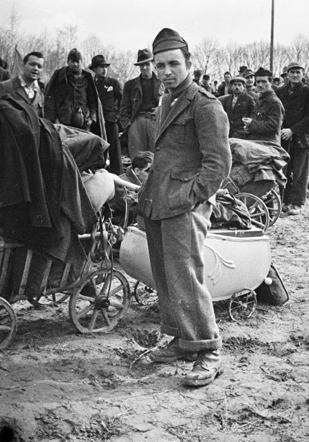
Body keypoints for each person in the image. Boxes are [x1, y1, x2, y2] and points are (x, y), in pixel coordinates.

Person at [139, 28, 231, 387]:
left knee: (187, 277)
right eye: (160, 65)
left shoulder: (205, 105)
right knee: (166, 275)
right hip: (157, 201)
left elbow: (218, 165)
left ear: (189, 63)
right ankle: (181, 339)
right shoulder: (167, 101)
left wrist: (191, 198)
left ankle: (209, 351)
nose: (165, 71)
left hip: (182, 206)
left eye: (173, 64)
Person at [276, 62, 309, 215]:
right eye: (292, 72)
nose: (295, 75)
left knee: (300, 171)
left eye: (298, 72)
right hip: (284, 138)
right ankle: (285, 200)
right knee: (284, 170)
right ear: (287, 74)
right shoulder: (280, 92)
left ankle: (297, 202)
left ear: (302, 74)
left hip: (301, 137)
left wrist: (292, 130)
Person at [44, 48, 105, 141]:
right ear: (68, 62)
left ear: (81, 62)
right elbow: (50, 98)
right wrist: (54, 119)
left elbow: (93, 101)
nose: (75, 64)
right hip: (63, 122)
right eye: (72, 61)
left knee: (84, 148)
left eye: (78, 61)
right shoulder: (60, 76)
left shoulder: (87, 78)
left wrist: (92, 118)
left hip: (84, 122)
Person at [119, 48, 163, 158]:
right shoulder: (130, 85)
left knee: (157, 158)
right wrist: (128, 126)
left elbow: (172, 102)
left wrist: (161, 109)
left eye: (147, 64)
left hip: (156, 122)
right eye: (141, 65)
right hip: (137, 122)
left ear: (153, 64)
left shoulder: (163, 83)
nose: (144, 68)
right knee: (137, 159)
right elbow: (124, 108)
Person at [90, 54, 123, 174]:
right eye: (100, 67)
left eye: (105, 67)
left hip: (110, 121)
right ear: (94, 69)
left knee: (115, 150)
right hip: (96, 123)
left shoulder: (113, 83)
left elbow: (122, 101)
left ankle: (118, 176)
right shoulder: (90, 85)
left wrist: (117, 116)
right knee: (97, 150)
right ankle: (99, 176)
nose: (104, 70)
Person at [242, 67, 284, 144]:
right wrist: (249, 129)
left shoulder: (274, 102)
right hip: (258, 144)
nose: (260, 85)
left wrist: (252, 123)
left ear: (270, 82)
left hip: (269, 147)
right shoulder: (260, 100)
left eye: (264, 81)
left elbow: (273, 127)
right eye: (258, 82)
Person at [111, 150, 152, 227]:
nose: (152, 175)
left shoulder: (150, 183)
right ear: (137, 171)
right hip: (123, 228)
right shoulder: (121, 185)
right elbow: (134, 208)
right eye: (148, 171)